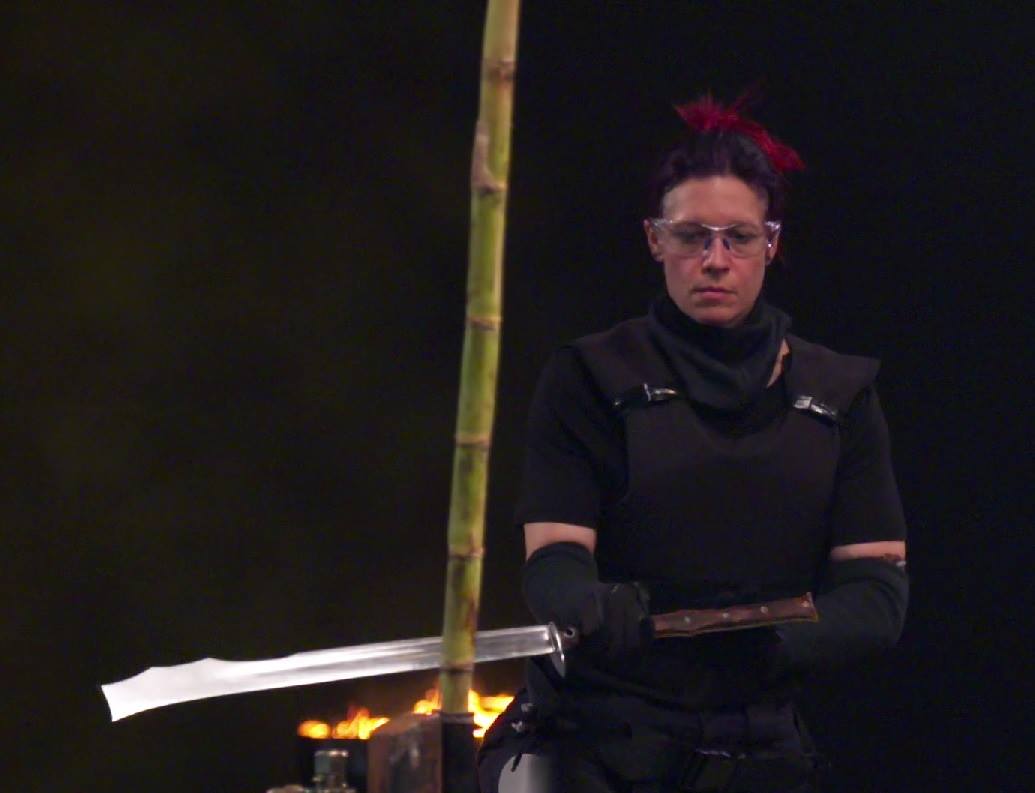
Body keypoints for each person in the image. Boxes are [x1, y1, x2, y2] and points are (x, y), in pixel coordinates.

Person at [477, 95, 909, 793]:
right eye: (690, 237)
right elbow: (553, 559)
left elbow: (876, 593)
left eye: (738, 237)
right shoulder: (590, 376)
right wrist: (589, 605)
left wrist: (769, 641)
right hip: (599, 737)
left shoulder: (840, 394)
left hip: (761, 744)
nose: (715, 260)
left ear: (770, 243)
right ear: (655, 240)